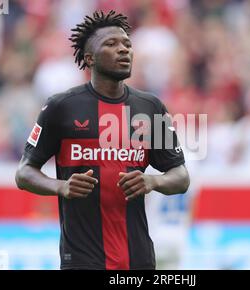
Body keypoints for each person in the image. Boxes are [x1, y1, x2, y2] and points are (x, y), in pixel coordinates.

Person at [15, 10, 190, 270]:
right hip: (82, 260)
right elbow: (24, 173)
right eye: (111, 44)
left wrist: (153, 180)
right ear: (89, 58)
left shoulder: (150, 108)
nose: (123, 50)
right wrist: (61, 186)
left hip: (138, 259)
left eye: (127, 45)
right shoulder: (60, 107)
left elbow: (181, 176)